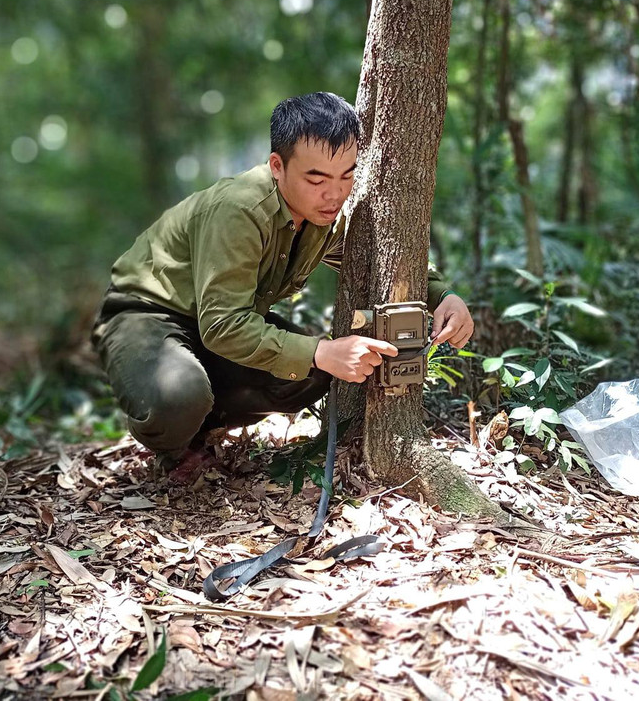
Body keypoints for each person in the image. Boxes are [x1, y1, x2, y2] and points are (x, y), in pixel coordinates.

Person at [91, 91, 474, 471]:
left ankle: (202, 421)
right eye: (316, 178)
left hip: (215, 323)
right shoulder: (240, 210)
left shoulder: (322, 214)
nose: (335, 193)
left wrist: (444, 296)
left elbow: (377, 263)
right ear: (278, 165)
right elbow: (222, 325)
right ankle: (172, 434)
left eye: (347, 175)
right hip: (146, 312)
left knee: (309, 375)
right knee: (178, 399)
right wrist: (321, 351)